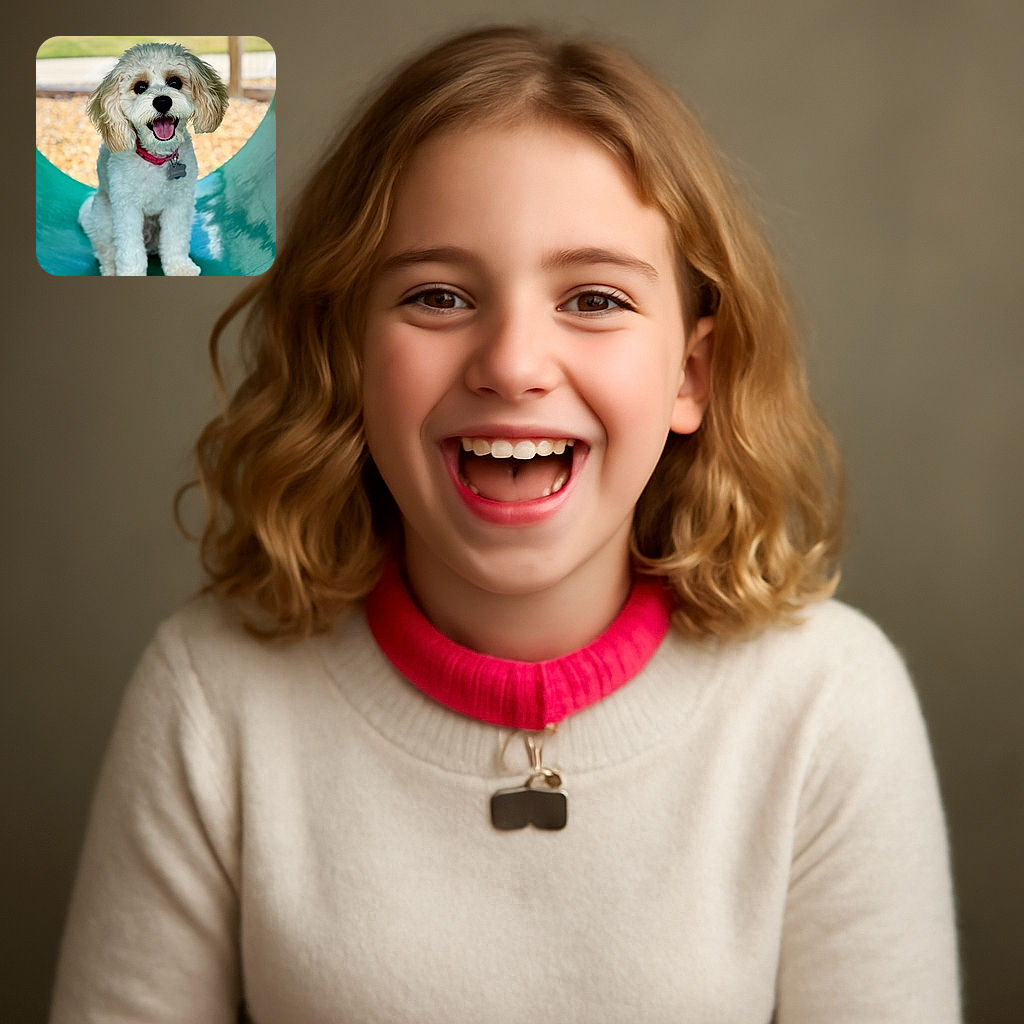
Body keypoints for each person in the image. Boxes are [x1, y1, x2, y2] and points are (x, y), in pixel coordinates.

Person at [50, 25, 960, 1023]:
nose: (514, 361)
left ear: (690, 375)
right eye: (437, 295)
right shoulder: (209, 695)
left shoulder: (826, 701)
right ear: (347, 355)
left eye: (595, 297)